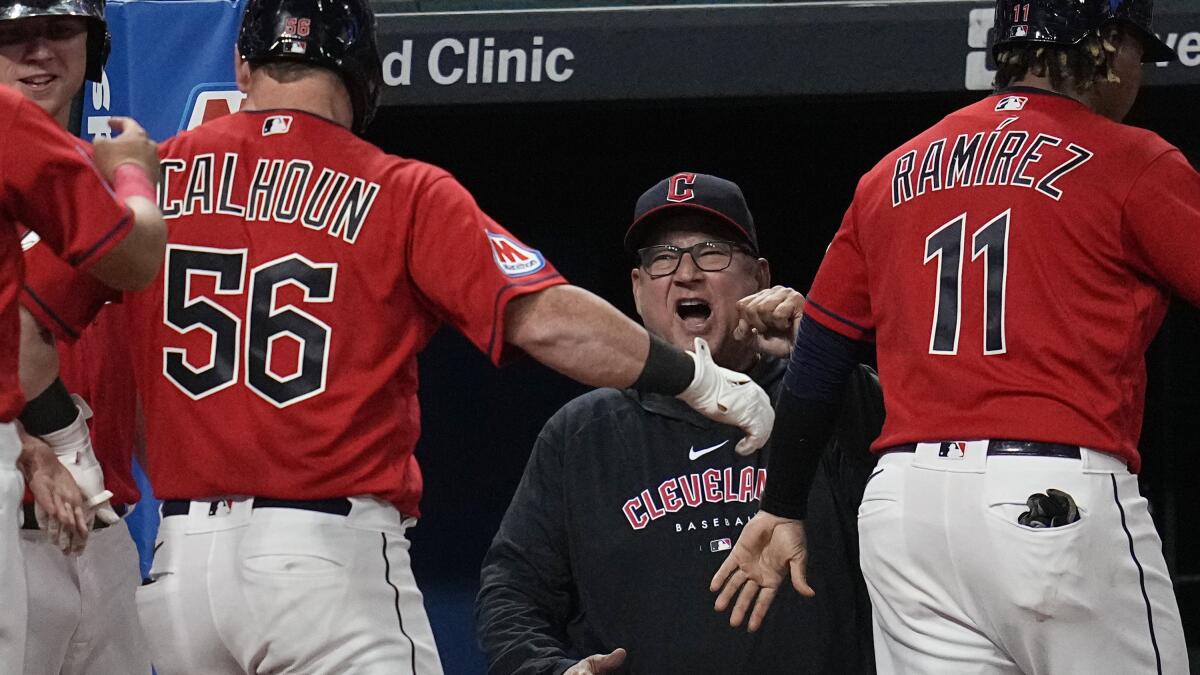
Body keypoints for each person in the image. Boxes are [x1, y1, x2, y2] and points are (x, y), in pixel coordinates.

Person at [28, 1, 774, 672]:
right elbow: (548, 318)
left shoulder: (149, 177)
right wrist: (700, 379)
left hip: (181, 572)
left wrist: (68, 449)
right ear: (363, 77)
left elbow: (26, 330)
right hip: (322, 565)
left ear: (244, 67)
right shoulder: (400, 187)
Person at [711, 0, 1195, 673]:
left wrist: (782, 502)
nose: (1140, 70)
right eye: (1138, 49)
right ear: (1106, 49)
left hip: (905, 511)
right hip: (1052, 496)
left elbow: (819, 358)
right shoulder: (1131, 159)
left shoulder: (891, 173)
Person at [476, 173, 883, 675]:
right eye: (662, 258)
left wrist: (819, 356)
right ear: (638, 288)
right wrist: (551, 670)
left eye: (711, 252)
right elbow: (512, 592)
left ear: (759, 276)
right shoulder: (583, 434)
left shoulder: (831, 404)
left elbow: (918, 511)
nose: (686, 274)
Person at [0, 0, 154, 672]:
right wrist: (43, 443)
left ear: (94, 47)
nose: (39, 53)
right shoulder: (128, 186)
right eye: (13, 36)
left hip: (105, 532)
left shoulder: (100, 183)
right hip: (15, 527)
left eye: (59, 32)